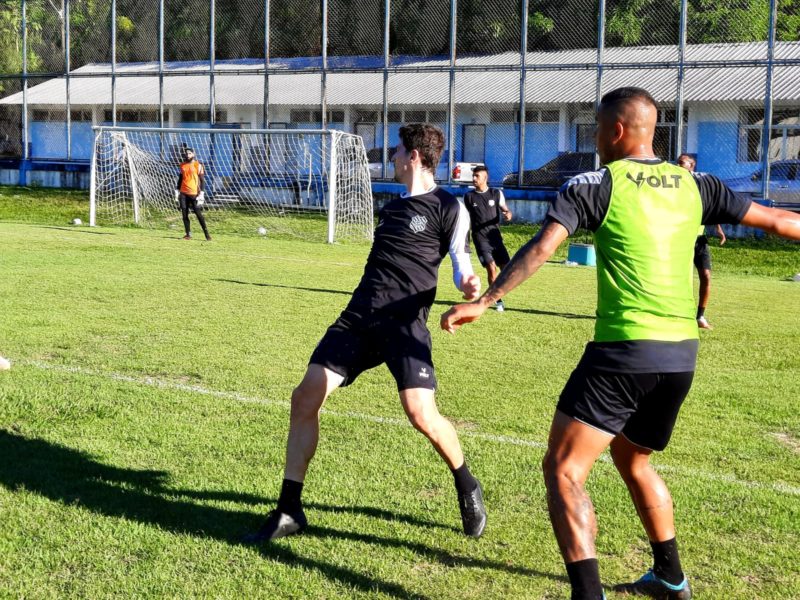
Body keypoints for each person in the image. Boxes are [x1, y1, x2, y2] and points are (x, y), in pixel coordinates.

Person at [441, 87, 800, 600]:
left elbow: (543, 247)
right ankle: (671, 578)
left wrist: (486, 298)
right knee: (633, 460)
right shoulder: (696, 184)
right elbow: (782, 220)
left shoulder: (594, 184)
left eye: (595, 128)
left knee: (563, 469)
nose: (594, 138)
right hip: (680, 355)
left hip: (624, 351)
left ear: (613, 131)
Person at [244, 123, 487, 543]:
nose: (391, 157)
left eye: (396, 151)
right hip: (358, 317)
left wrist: (468, 284)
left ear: (413, 155)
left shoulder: (449, 207)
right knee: (305, 396)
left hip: (404, 323)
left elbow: (460, 259)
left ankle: (466, 483)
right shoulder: (391, 208)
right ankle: (289, 510)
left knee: (421, 414)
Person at [676, 153, 727, 329]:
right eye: (677, 163)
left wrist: (718, 228)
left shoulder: (699, 186)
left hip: (699, 239)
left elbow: (710, 206)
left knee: (705, 276)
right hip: (679, 237)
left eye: (682, 163)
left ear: (692, 167)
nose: (678, 166)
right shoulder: (672, 186)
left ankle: (700, 316)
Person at [463, 165, 513, 312]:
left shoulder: (496, 194)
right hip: (480, 239)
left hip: (495, 238)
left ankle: (497, 293)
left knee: (507, 269)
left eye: (477, 176)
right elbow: (465, 219)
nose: (473, 178)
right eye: (473, 176)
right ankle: (497, 300)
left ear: (485, 178)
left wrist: (508, 214)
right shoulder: (469, 197)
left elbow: (506, 209)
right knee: (491, 269)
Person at [174, 147, 211, 241]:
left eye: (189, 153)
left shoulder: (198, 165)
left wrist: (202, 193)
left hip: (194, 193)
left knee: (198, 214)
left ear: (193, 154)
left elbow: (202, 180)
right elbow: (180, 179)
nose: (187, 155)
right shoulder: (182, 165)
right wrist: (177, 190)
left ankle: (207, 234)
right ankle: (188, 234)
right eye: (186, 153)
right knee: (184, 214)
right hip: (183, 193)